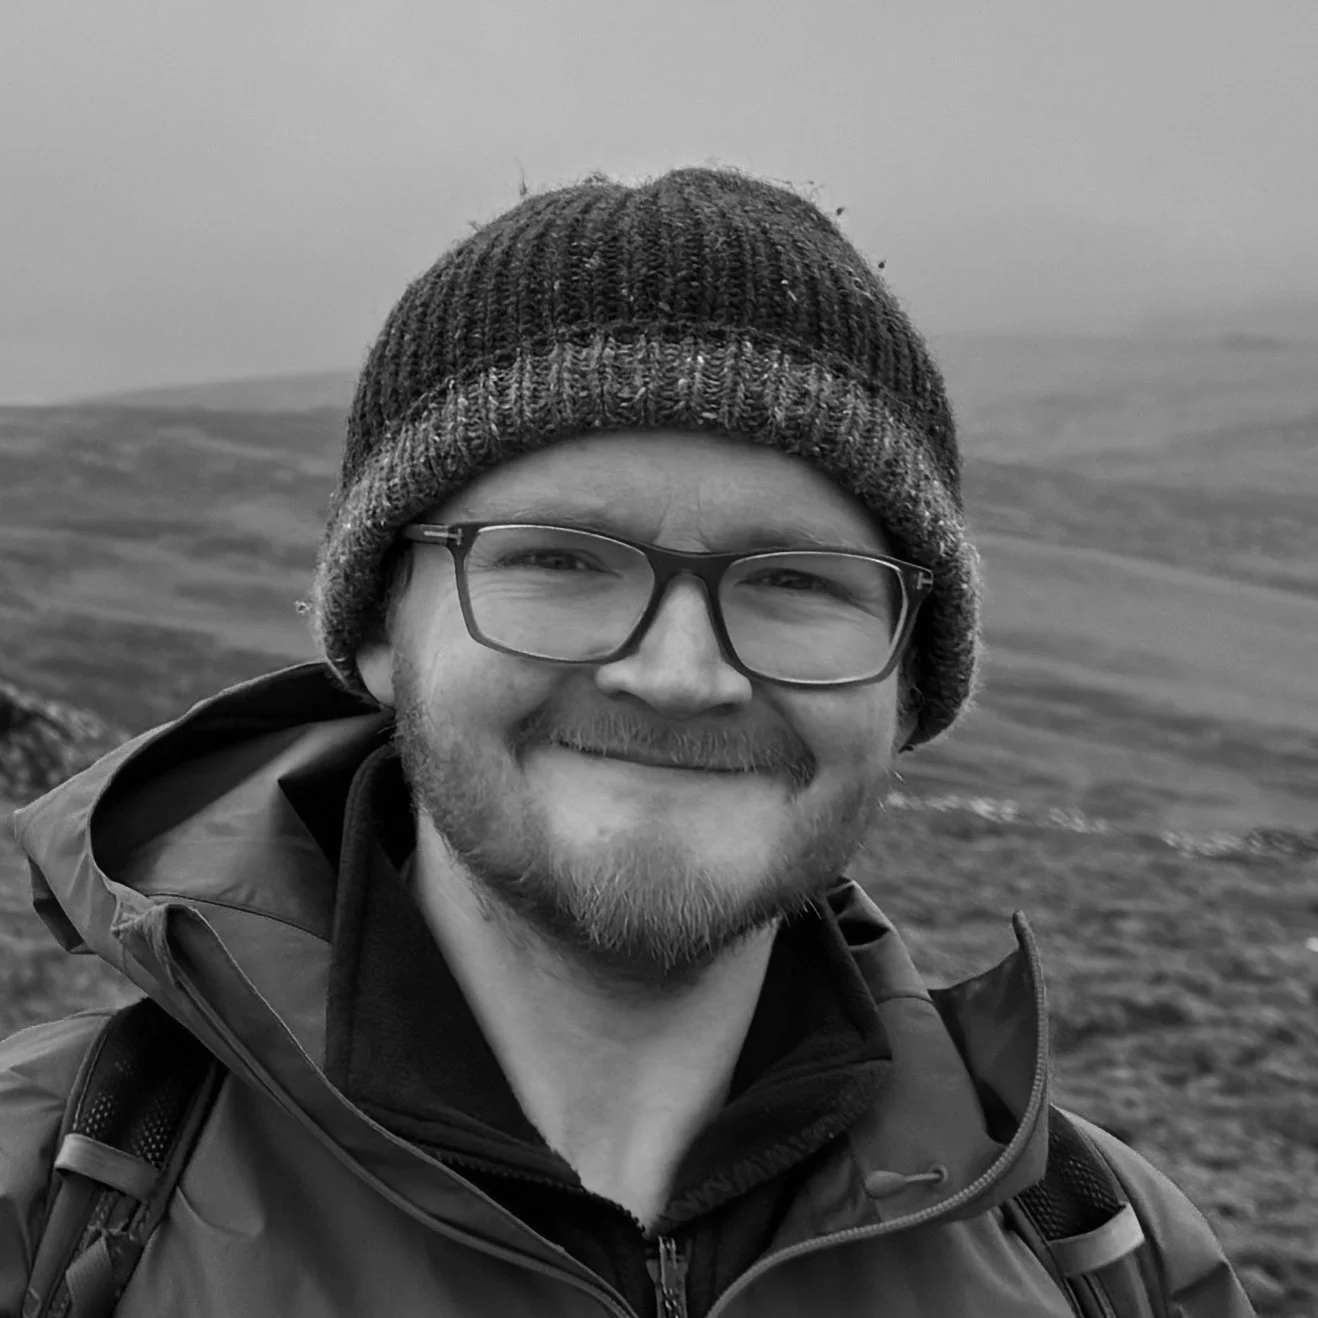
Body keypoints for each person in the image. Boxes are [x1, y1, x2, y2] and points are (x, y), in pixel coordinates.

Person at [1, 167, 1251, 1316]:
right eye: (559, 560)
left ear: (908, 685)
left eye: (797, 582)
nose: (679, 673)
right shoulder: (40, 1201)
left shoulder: (1107, 1250)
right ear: (379, 631)